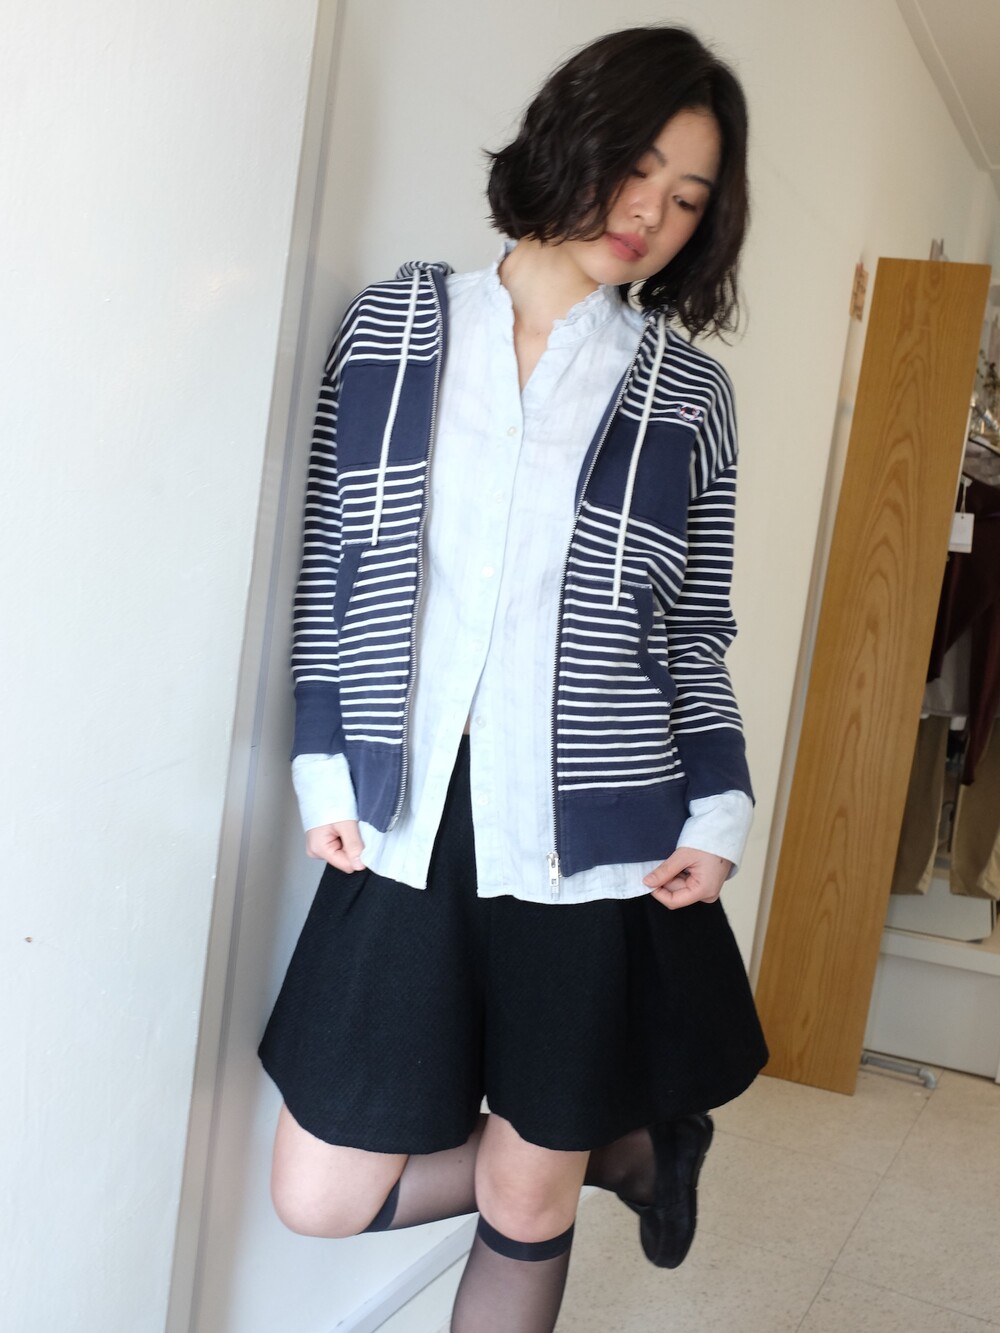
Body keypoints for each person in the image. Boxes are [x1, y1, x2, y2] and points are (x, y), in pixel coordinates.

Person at [259, 24, 767, 1332]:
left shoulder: (690, 395)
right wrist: (325, 761)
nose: (651, 214)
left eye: (689, 197)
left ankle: (573, 1155)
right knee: (320, 1190)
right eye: (637, 168)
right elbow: (333, 572)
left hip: (593, 844)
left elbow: (692, 633)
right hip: (409, 819)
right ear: (570, 139)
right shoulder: (394, 325)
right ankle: (622, 1144)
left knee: (523, 1200)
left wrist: (720, 808)